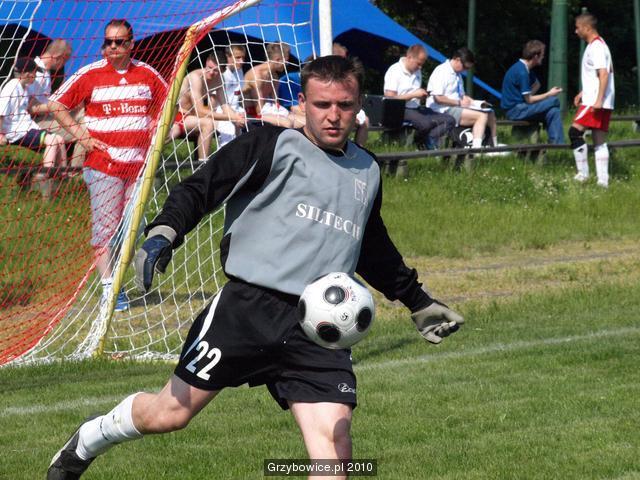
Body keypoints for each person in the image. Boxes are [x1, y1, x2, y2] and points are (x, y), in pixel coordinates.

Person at [47, 55, 465, 480]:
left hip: (320, 326)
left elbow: (372, 247)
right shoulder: (269, 144)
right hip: (246, 310)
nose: (333, 115)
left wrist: (417, 300)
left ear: (358, 105)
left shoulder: (367, 169)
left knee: (335, 450)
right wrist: (163, 233)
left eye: (344, 105)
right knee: (168, 414)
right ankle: (90, 439)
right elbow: (201, 188)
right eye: (322, 104)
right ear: (302, 102)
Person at [48, 19, 169, 311]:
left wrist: (159, 127)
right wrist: (82, 136)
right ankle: (109, 288)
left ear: (131, 44)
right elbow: (56, 104)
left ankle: (119, 280)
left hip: (139, 166)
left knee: (133, 228)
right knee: (106, 230)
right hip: (104, 166)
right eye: (108, 42)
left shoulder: (147, 74)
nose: (112, 47)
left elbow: (169, 104)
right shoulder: (90, 73)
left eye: (119, 42)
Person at [0, 57, 68, 199]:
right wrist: (1, 134)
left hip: (27, 128)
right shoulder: (11, 87)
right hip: (16, 133)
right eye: (34, 73)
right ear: (26, 74)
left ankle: (63, 179)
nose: (36, 76)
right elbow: (1, 113)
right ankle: (44, 180)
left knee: (60, 139)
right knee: (52, 141)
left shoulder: (24, 88)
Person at [569, 13, 615, 188]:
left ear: (587, 28)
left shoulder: (596, 47)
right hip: (600, 99)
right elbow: (597, 75)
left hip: (594, 101)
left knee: (574, 132)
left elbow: (603, 74)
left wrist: (598, 100)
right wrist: (583, 92)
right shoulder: (599, 45)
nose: (576, 31)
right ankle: (603, 182)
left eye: (577, 27)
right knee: (599, 140)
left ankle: (583, 175)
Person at [171, 52, 245, 158]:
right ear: (206, 63)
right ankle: (203, 163)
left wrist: (237, 117)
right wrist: (230, 117)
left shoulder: (219, 79)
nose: (211, 73)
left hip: (192, 117)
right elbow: (200, 111)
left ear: (222, 71)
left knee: (236, 122)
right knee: (208, 123)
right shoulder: (196, 77)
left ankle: (235, 157)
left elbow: (225, 105)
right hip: (176, 116)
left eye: (216, 70)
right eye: (209, 68)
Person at [27, 39, 87, 169]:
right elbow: (30, 108)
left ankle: (75, 169)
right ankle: (74, 171)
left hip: (48, 115)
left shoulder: (45, 72)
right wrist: (57, 106)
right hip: (36, 121)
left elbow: (46, 101)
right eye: (65, 61)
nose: (63, 65)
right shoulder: (35, 73)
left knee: (83, 114)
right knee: (82, 132)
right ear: (59, 58)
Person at [383, 44, 455, 150]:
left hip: (415, 108)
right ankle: (422, 143)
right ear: (409, 57)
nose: (420, 67)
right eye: (418, 64)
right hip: (399, 109)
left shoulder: (417, 71)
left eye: (422, 64)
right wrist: (414, 95)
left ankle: (430, 139)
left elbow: (415, 94)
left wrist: (422, 95)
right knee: (425, 124)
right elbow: (390, 98)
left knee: (449, 120)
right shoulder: (394, 70)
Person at [427, 47, 500, 148]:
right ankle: (476, 149)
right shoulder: (441, 71)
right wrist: (459, 103)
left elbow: (462, 96)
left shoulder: (458, 75)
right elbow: (438, 98)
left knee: (490, 113)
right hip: (442, 109)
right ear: (457, 60)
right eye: (465, 67)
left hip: (456, 106)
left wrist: (476, 103)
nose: (465, 70)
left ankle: (494, 145)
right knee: (481, 116)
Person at [501, 40, 564, 144]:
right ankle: (555, 142)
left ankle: (556, 145)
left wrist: (528, 96)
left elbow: (537, 84)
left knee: (553, 111)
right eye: (542, 55)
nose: (543, 57)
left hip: (522, 107)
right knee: (554, 101)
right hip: (515, 110)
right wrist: (549, 94)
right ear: (535, 56)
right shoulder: (522, 72)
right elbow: (529, 100)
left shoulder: (525, 68)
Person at [243, 42, 296, 127]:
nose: (286, 65)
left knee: (303, 120)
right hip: (251, 116)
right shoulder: (257, 75)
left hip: (267, 113)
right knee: (287, 123)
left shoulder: (274, 77)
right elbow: (259, 111)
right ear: (277, 59)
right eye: (286, 62)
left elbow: (276, 104)